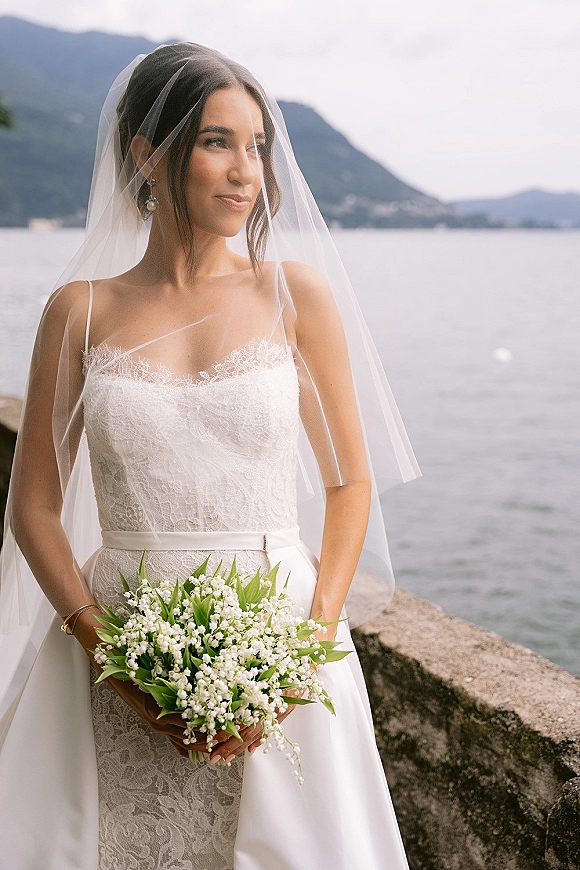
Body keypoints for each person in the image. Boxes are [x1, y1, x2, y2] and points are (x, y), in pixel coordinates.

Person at [0, 42, 420, 869]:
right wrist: (110, 653)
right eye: (216, 142)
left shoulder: (294, 295)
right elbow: (34, 507)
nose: (246, 172)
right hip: (115, 640)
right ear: (147, 154)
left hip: (282, 638)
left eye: (256, 146)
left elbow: (349, 481)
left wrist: (307, 650)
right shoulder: (79, 312)